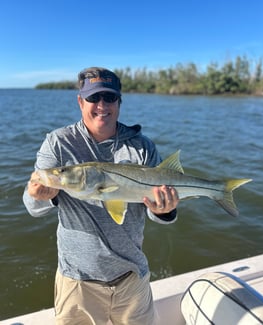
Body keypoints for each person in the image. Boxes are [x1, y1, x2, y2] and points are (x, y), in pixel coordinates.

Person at [23, 67, 179, 325]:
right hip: (78, 282)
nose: (101, 106)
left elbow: (160, 214)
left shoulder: (142, 146)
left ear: (119, 101)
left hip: (132, 277)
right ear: (80, 101)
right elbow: (31, 206)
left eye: (109, 97)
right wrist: (42, 195)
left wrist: (165, 210)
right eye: (94, 98)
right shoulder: (58, 143)